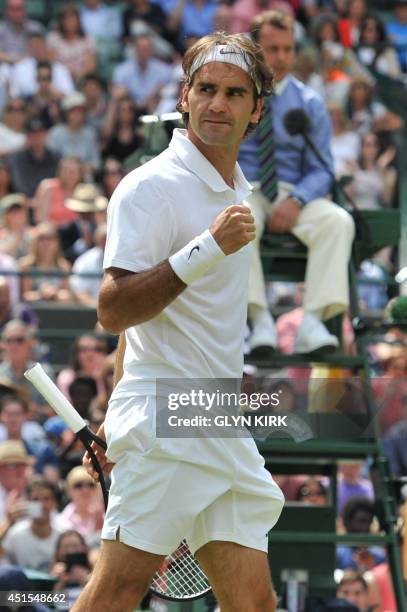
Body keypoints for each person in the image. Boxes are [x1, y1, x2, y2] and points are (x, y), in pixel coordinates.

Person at [74, 31, 284, 612]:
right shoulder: (149, 187)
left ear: (255, 109)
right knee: (114, 593)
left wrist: (115, 410)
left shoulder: (236, 190)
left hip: (216, 415)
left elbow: (139, 327)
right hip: (169, 417)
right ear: (185, 96)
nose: (219, 104)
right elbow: (114, 309)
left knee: (255, 604)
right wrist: (204, 250)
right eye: (207, 90)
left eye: (235, 94)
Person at [238, 10, 355, 355]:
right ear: (256, 51)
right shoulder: (237, 95)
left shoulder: (311, 103)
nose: (282, 57)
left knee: (338, 221)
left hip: (295, 193)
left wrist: (298, 200)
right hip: (247, 189)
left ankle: (313, 323)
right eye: (273, 49)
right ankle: (258, 322)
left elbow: (322, 168)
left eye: (288, 49)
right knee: (235, 219)